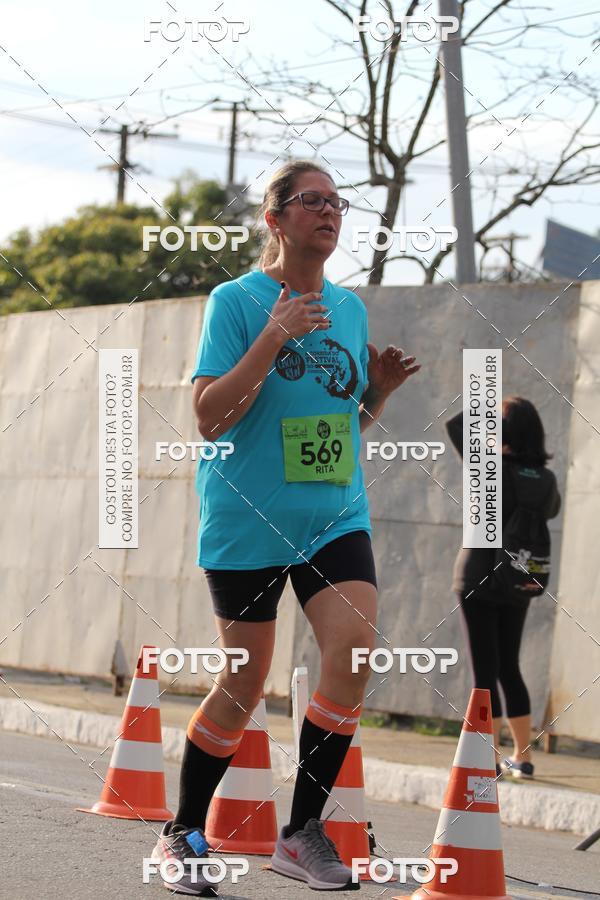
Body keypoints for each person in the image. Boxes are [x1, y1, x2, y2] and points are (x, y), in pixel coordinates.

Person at [150, 159, 420, 895]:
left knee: (354, 647)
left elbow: (343, 423)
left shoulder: (350, 309)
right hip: (248, 515)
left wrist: (381, 396)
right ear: (274, 219)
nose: (328, 213)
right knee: (243, 684)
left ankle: (302, 832)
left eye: (336, 202)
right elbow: (209, 417)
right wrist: (272, 335)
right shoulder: (235, 300)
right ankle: (182, 833)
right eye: (311, 201)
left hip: (334, 513)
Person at [445, 397, 561, 779]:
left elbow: (456, 426)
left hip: (478, 577)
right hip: (518, 576)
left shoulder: (489, 469)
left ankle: (489, 758)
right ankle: (523, 756)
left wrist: (485, 409)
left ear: (505, 431)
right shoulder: (544, 480)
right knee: (509, 666)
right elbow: (551, 510)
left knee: (484, 672)